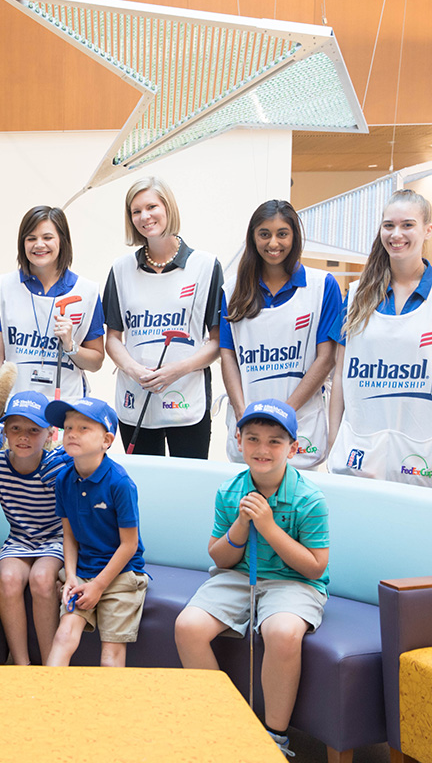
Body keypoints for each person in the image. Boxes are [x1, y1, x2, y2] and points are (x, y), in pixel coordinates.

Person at [174, 400, 329, 757]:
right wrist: (242, 525)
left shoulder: (310, 499)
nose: (262, 449)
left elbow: (315, 568)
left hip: (295, 584)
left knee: (282, 633)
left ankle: (274, 737)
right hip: (239, 577)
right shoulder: (229, 491)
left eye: (275, 441)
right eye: (253, 439)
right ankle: (222, 720)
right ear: (238, 441)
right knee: (188, 626)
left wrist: (269, 527)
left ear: (292, 448)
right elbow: (220, 558)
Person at [102, 177, 223, 458]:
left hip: (186, 397)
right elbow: (113, 338)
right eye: (136, 211)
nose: (144, 216)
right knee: (142, 488)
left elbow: (217, 342)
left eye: (151, 206)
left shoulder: (205, 266)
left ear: (168, 208)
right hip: (136, 396)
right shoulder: (121, 269)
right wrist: (134, 370)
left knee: (188, 487)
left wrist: (176, 370)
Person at [221, 200, 341, 469]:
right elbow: (228, 356)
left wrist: (282, 416)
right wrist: (243, 415)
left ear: (294, 236)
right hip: (247, 425)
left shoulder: (322, 286)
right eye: (264, 234)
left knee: (296, 507)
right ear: (253, 238)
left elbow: (326, 359)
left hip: (302, 426)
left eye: (282, 234)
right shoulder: (231, 290)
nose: (273, 243)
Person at [329, 189, 432, 485]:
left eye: (407, 225)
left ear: (427, 230)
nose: (396, 234)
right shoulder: (357, 295)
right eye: (389, 225)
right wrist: (336, 439)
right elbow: (340, 375)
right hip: (361, 452)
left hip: (420, 458)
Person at [42, 398, 148, 668]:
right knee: (64, 636)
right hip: (84, 570)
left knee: (111, 655)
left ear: (107, 440)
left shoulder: (120, 483)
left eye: (84, 428)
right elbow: (69, 536)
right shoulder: (64, 479)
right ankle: (44, 702)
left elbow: (129, 545)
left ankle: (108, 710)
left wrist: (99, 586)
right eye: (68, 428)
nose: (73, 434)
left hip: (122, 572)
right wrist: (71, 577)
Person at [0, 391, 69, 665]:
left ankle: (49, 663)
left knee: (42, 579)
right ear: (5, 431)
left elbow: (72, 523)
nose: (24, 437)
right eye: (15, 429)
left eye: (33, 430)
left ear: (49, 434)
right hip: (18, 541)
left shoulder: (56, 468)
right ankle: (21, 664)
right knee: (7, 580)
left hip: (55, 540)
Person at [0, 206, 105, 400]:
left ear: (62, 241)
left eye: (47, 237)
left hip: (66, 406)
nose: (39, 245)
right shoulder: (2, 288)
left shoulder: (87, 292)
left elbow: (96, 363)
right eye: (31, 238)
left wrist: (70, 344)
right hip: (15, 406)